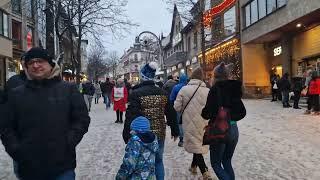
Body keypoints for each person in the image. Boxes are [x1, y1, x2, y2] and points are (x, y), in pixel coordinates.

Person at [0, 47, 90, 180]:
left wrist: (67, 143)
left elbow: (81, 120)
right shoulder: (16, 94)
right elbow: (6, 127)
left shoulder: (68, 90)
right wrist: (17, 150)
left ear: (50, 64)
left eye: (40, 61)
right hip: (28, 167)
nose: (35, 65)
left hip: (62, 166)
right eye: (31, 63)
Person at [123, 62, 179, 180]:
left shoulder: (136, 94)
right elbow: (171, 112)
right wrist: (175, 130)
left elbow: (131, 115)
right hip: (159, 133)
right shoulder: (163, 93)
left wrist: (127, 134)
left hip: (142, 134)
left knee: (142, 163)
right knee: (158, 161)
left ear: (142, 76)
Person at [202, 62, 246, 180]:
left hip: (220, 130)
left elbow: (207, 113)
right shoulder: (235, 89)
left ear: (215, 76)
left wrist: (206, 113)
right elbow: (242, 112)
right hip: (234, 129)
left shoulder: (215, 90)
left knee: (216, 163)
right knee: (226, 161)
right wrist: (230, 117)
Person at [174, 68, 213, 180]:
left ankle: (205, 171)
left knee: (195, 144)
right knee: (198, 144)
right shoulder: (208, 91)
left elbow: (176, 107)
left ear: (192, 77)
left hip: (189, 122)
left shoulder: (184, 89)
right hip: (204, 122)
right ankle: (193, 166)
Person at [170, 74, 188, 147]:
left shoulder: (176, 87)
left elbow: (171, 98)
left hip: (179, 108)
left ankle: (182, 139)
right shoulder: (188, 87)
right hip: (188, 108)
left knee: (180, 123)